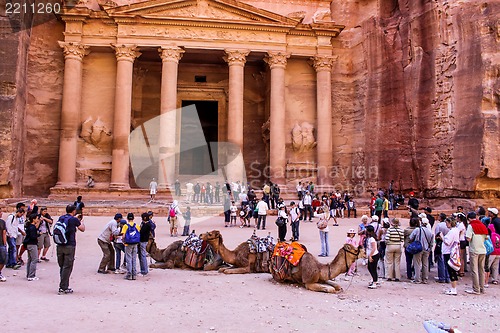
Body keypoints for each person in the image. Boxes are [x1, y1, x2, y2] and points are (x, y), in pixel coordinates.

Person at [57, 205, 85, 294]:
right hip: (69, 245)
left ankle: (63, 285)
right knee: (67, 266)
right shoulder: (74, 219)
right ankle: (63, 287)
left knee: (62, 266)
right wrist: (81, 221)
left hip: (60, 244)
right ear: (73, 211)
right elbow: (82, 229)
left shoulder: (61, 218)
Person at [464, 212, 488, 294]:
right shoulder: (482, 225)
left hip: (474, 250)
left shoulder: (471, 226)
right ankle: (482, 288)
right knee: (481, 269)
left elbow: (468, 238)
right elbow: (486, 237)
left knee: (474, 270)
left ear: (469, 219)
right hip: (483, 250)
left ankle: (476, 289)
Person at [409, 217, 434, 284]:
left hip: (418, 248)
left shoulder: (417, 230)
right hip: (426, 249)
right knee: (425, 264)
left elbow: (411, 237)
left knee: (417, 264)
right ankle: (425, 279)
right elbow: (431, 242)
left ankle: (417, 279)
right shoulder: (430, 231)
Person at [442, 217, 460, 295]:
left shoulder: (452, 232)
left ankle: (453, 288)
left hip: (449, 252)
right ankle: (453, 287)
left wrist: (442, 237)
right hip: (453, 251)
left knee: (451, 270)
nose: (446, 225)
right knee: (452, 270)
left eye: (447, 223)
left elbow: (447, 242)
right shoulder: (456, 230)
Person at [122, 213, 140, 280]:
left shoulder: (125, 226)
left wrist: (123, 241)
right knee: (134, 258)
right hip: (135, 243)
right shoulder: (137, 226)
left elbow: (123, 235)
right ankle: (134, 274)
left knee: (128, 258)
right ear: (133, 218)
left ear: (127, 218)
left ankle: (129, 274)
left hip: (128, 243)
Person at [23, 214, 41, 281]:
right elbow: (33, 236)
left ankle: (29, 274)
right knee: (34, 259)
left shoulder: (29, 226)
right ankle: (31, 275)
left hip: (28, 244)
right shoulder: (32, 227)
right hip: (32, 244)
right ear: (33, 219)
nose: (37, 220)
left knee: (30, 259)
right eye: (36, 218)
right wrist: (38, 234)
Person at [434, 213, 451, 283]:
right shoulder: (449, 226)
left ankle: (442, 277)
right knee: (447, 261)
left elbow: (437, 234)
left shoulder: (439, 225)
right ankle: (447, 277)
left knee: (440, 261)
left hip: (441, 243)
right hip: (448, 244)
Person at [138, 213, 152, 277]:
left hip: (143, 241)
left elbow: (142, 232)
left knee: (143, 256)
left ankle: (144, 271)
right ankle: (143, 270)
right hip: (143, 241)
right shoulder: (145, 223)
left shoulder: (147, 225)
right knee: (141, 256)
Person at [0, 206, 7, 281]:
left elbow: (4, 233)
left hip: (1, 243)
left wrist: (5, 243)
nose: (1, 213)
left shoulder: (2, 222)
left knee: (3, 259)